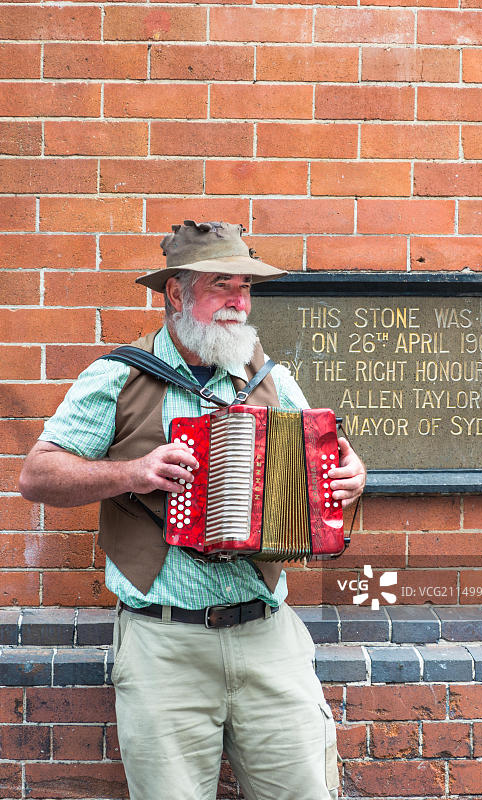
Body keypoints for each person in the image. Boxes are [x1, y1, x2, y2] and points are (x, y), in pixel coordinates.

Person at [20, 220, 366, 800]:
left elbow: (326, 460)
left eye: (246, 287)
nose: (238, 301)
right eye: (220, 285)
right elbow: (37, 475)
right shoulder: (120, 377)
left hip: (268, 637)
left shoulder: (271, 379)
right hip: (165, 646)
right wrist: (132, 472)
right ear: (176, 295)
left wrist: (354, 478)